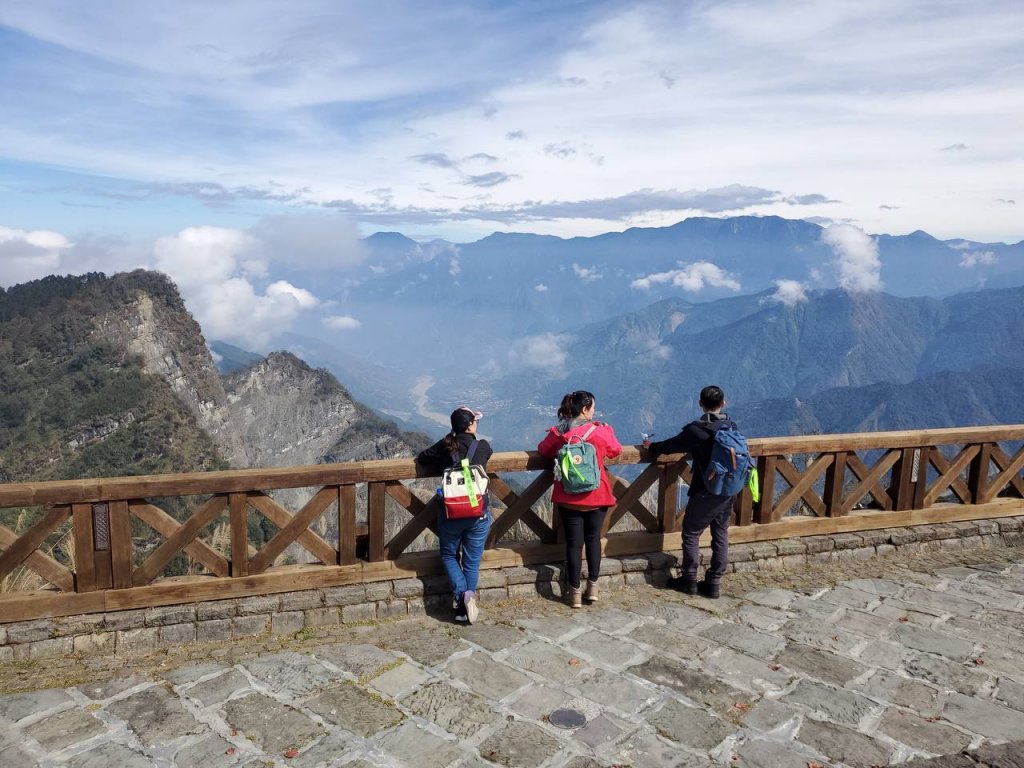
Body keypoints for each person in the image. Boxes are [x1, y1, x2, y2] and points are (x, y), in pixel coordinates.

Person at [644, 385, 738, 599]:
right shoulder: (731, 426)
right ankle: (714, 582)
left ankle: (689, 580)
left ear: (700, 404)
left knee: (691, 532)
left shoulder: (696, 430)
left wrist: (650, 447)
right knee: (721, 532)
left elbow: (670, 445)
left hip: (706, 489)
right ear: (723, 403)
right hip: (728, 489)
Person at [537, 390, 622, 608]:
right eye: (592, 407)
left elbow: (543, 450)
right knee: (593, 541)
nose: (594, 412)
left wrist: (559, 432)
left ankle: (574, 593)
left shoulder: (562, 432)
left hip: (569, 497)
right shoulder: (600, 431)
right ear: (585, 409)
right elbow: (615, 450)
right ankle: (592, 587)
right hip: (597, 495)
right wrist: (607, 429)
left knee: (574, 545)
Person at [417, 406, 493, 623]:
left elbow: (423, 458)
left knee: (449, 555)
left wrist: (446, 444)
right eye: (475, 421)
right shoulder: (482, 446)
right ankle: (467, 600)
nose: (476, 424)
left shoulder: (445, 446)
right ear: (470, 425)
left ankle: (462, 603)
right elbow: (486, 455)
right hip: (477, 512)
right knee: (472, 561)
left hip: (451, 512)